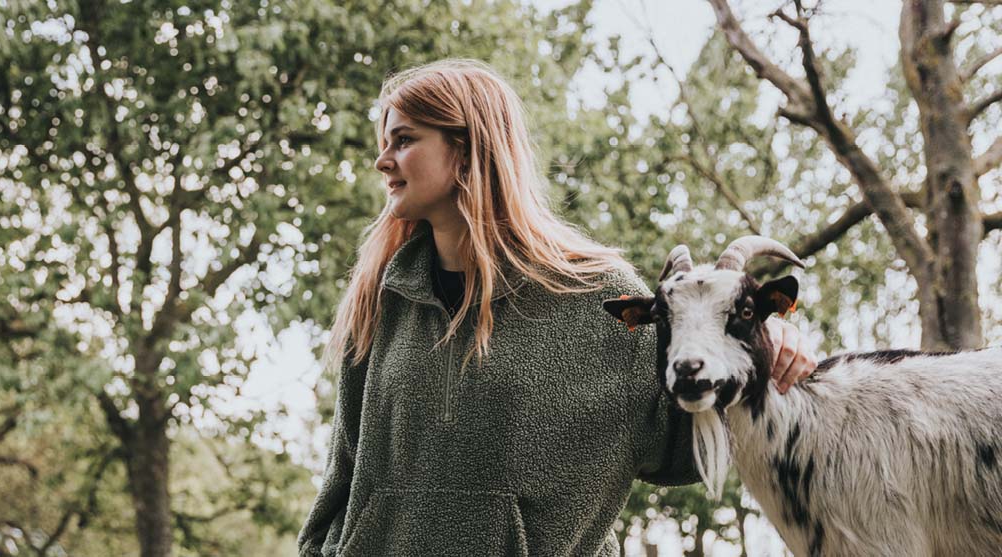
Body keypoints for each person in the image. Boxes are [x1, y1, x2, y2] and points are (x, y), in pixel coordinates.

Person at [297, 59, 816, 557]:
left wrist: (763, 347)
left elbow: (687, 445)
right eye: (385, 143)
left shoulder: (597, 296)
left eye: (404, 140)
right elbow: (342, 483)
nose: (383, 160)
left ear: (467, 149)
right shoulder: (380, 299)